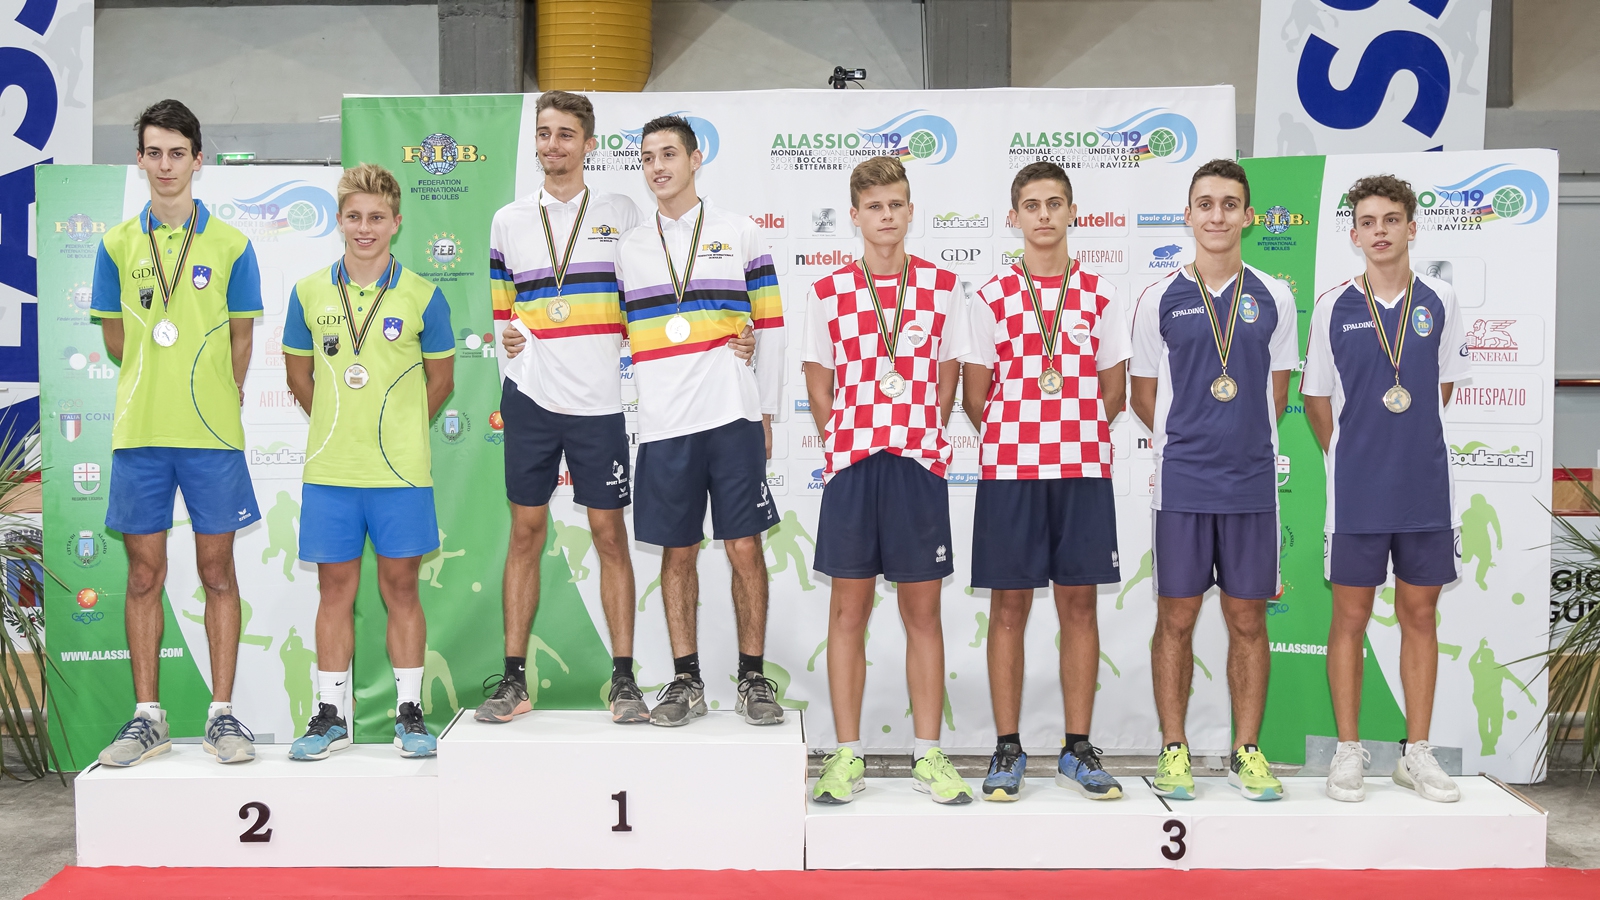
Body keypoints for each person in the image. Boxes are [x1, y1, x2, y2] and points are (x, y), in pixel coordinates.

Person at [493, 94, 755, 724]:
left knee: (610, 536)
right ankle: (512, 680)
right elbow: (504, 312)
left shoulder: (624, 215)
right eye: (544, 134)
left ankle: (625, 681)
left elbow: (661, 295)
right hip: (530, 398)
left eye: (566, 134)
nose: (553, 145)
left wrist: (738, 337)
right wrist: (509, 341)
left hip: (601, 404)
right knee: (524, 532)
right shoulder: (508, 220)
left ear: (589, 145)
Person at [92, 99, 263, 767]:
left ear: (198, 159)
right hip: (140, 432)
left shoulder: (232, 245)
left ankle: (222, 716)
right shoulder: (115, 245)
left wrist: (216, 393)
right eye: (154, 152)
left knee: (217, 571)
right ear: (139, 159)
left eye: (177, 153)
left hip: (211, 436)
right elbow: (116, 340)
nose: (166, 165)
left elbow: (242, 339)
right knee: (143, 574)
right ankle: (148, 718)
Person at [1129, 158, 1298, 801]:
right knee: (1175, 617)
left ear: (1248, 216)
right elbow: (1144, 394)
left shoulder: (1275, 296)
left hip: (1251, 484)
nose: (1218, 215)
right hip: (1183, 485)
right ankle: (1173, 750)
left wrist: (1237, 437)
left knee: (1247, 619)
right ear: (1189, 215)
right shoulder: (1159, 298)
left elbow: (1276, 393)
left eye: (1230, 204)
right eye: (1206, 204)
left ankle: (1246, 752)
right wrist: (1191, 438)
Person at [961, 162, 1129, 802]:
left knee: (1079, 606)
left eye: (1055, 203)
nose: (1044, 215)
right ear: (1014, 217)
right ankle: (1007, 748)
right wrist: (1022, 438)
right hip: (1011, 472)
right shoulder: (990, 296)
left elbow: (1114, 391)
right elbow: (976, 396)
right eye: (1031, 205)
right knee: (1009, 608)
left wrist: (1071, 433)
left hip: (1082, 469)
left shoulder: (1101, 294)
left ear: (1072, 212)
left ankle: (1077, 748)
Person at [804, 156, 969, 805]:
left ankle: (928, 752)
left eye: (896, 204)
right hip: (853, 467)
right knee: (848, 612)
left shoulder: (943, 286)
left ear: (910, 210)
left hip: (916, 466)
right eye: (874, 206)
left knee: (922, 613)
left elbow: (949, 375)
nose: (887, 216)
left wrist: (922, 429)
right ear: (855, 216)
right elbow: (819, 384)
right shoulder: (828, 291)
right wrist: (845, 438)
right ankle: (847, 755)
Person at [1303, 174, 1469, 803]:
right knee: (1349, 617)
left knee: (1419, 614)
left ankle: (1416, 752)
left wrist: (1404, 442)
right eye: (1368, 221)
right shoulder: (1332, 306)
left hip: (1425, 488)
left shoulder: (1441, 300)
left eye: (1391, 219)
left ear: (1411, 227)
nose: (1380, 231)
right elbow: (1317, 399)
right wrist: (1351, 455)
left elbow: (1441, 386)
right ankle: (1348, 751)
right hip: (1357, 493)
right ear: (1353, 234)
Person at [280, 163, 455, 760]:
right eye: (354, 216)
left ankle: (409, 713)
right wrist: (339, 427)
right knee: (334, 590)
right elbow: (297, 376)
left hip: (401, 474)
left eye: (376, 217)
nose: (365, 228)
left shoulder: (423, 295)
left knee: (401, 588)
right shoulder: (308, 291)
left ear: (396, 223)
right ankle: (330, 716)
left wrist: (398, 432)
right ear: (338, 220)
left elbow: (442, 381)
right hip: (331, 472)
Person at [615, 115, 785, 727]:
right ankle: (686, 680)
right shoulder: (629, 248)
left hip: (731, 414)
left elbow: (771, 325)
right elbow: (611, 332)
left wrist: (765, 408)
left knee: (744, 546)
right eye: (647, 157)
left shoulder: (741, 233)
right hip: (664, 422)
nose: (657, 167)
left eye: (668, 154)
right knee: (678, 551)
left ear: (694, 159)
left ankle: (752, 678)